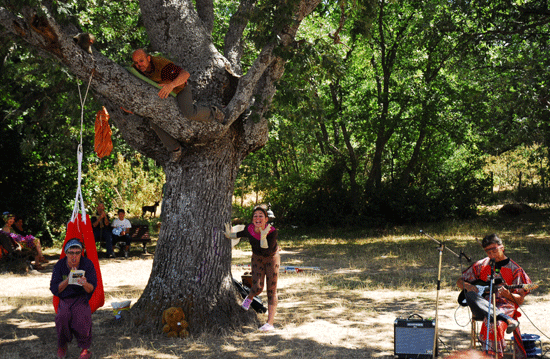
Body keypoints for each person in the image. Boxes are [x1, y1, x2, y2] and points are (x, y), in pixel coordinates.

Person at [131, 49, 225, 162]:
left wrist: (171, 85)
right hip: (163, 95)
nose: (139, 65)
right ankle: (175, 149)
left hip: (179, 89)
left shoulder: (162, 66)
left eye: (141, 61)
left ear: (149, 58)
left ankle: (213, 112)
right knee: (153, 120)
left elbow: (186, 75)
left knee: (189, 112)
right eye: (136, 62)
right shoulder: (136, 70)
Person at [456, 234, 532, 358]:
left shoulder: (515, 270)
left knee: (492, 322)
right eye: (488, 251)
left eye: (494, 250)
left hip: (505, 306)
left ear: (502, 247)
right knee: (470, 295)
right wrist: (468, 286)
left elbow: (520, 300)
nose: (491, 254)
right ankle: (503, 319)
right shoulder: (481, 265)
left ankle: (491, 356)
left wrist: (508, 294)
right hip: (482, 306)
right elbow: (460, 281)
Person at [224, 206, 280, 332]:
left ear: (266, 219)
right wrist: (229, 235)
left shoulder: (272, 232)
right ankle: (249, 298)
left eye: (261, 216)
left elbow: (266, 249)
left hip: (271, 258)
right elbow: (240, 234)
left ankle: (270, 323)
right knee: (257, 287)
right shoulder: (249, 228)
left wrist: (264, 235)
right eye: (255, 216)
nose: (257, 218)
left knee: (271, 290)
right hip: (257, 258)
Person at [50, 238, 96, 359]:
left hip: (81, 297)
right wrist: (68, 279)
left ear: (81, 253)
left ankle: (85, 349)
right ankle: (62, 345)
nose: (74, 256)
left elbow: (92, 288)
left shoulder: (87, 264)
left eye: (77, 253)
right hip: (65, 298)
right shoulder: (60, 265)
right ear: (66, 253)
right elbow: (54, 288)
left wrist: (85, 283)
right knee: (62, 317)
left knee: (82, 317)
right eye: (71, 253)